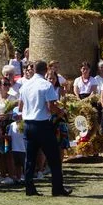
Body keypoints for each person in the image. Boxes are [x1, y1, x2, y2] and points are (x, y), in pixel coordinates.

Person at [18, 60, 72, 197]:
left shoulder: (25, 85)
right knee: (54, 158)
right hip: (42, 124)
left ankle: (29, 188)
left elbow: (20, 107)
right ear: (46, 69)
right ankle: (57, 188)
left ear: (34, 69)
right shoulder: (46, 85)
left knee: (30, 158)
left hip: (28, 124)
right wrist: (61, 112)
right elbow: (50, 107)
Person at [8, 107, 26, 184]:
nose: (18, 117)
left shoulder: (25, 124)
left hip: (24, 149)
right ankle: (18, 178)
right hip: (15, 149)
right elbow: (9, 136)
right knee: (17, 164)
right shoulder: (12, 125)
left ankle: (26, 178)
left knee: (25, 164)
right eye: (16, 116)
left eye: (19, 116)